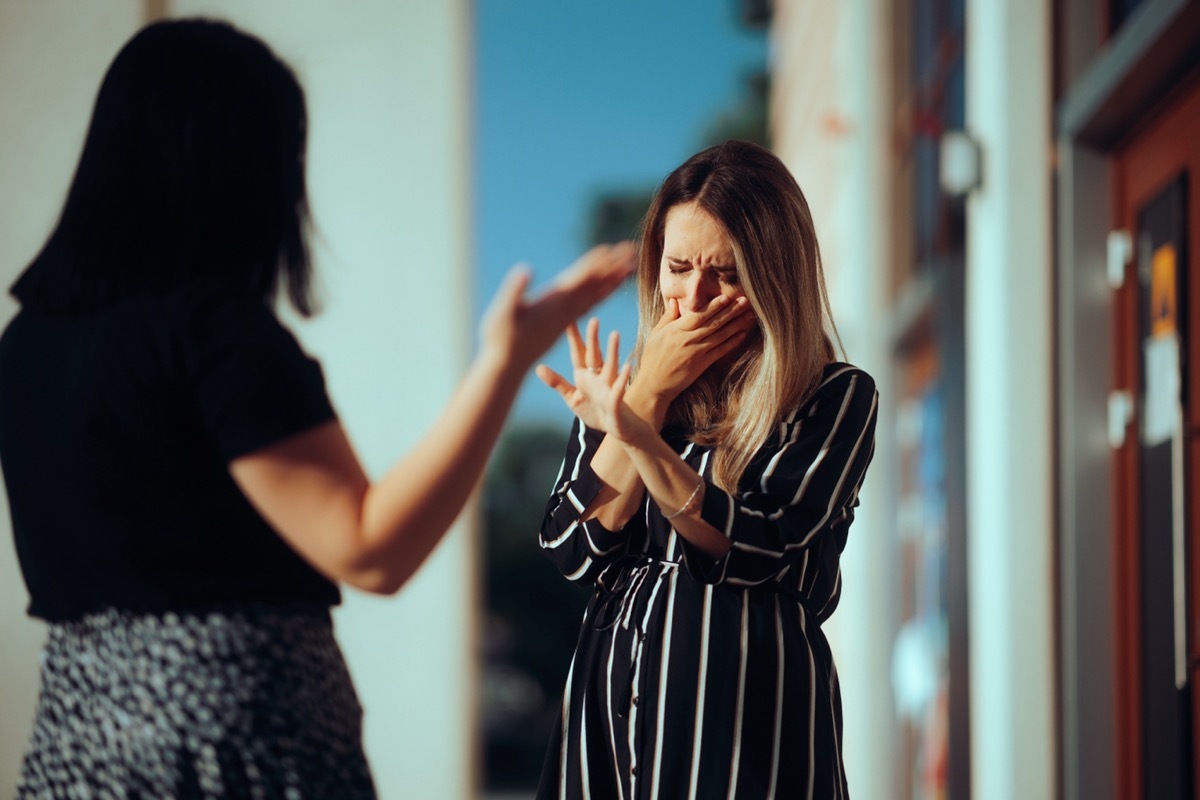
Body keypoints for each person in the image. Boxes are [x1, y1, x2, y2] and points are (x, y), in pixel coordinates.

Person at [0, 18, 634, 799]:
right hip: (237, 740)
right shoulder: (212, 332)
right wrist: (504, 360)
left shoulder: (25, 345)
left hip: (76, 744)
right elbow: (369, 549)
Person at [534, 139, 878, 798]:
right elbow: (573, 551)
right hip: (606, 726)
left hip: (745, 728)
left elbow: (751, 546)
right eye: (679, 266)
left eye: (726, 271)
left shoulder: (834, 396)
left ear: (775, 276)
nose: (695, 296)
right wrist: (646, 402)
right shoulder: (627, 389)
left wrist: (636, 434)